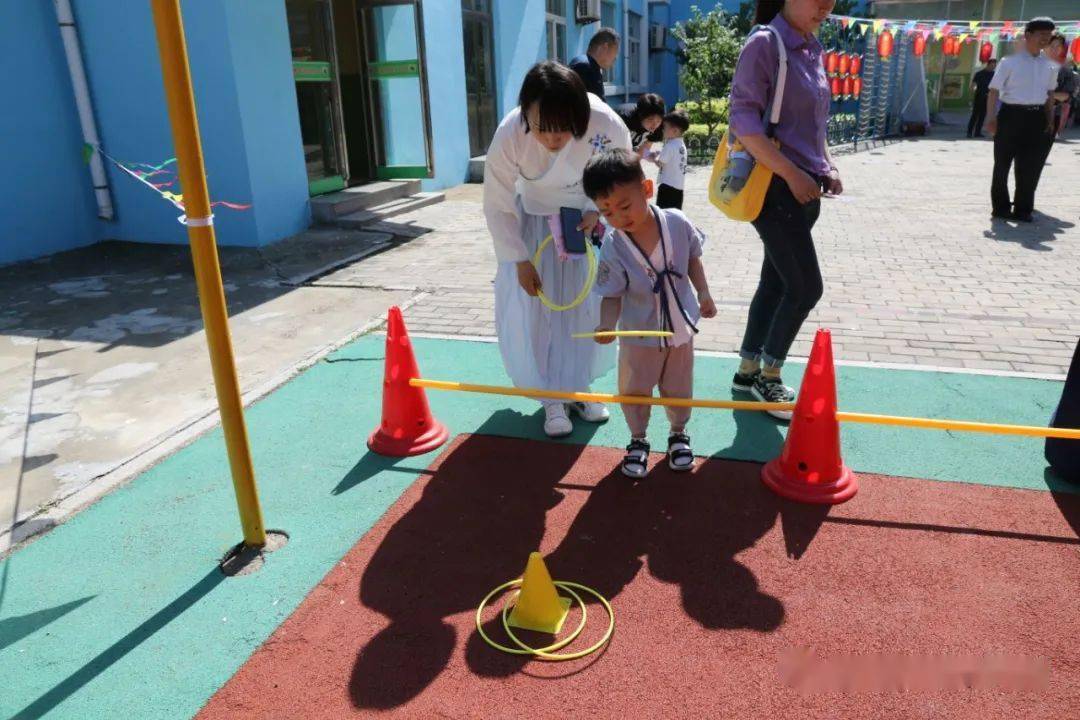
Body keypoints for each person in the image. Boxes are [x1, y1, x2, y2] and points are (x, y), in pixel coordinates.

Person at [483, 62, 632, 437]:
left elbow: (621, 175)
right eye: (541, 127)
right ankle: (551, 394)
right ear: (527, 116)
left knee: (584, 304)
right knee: (539, 307)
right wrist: (517, 258)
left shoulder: (605, 123)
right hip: (533, 221)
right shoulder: (510, 132)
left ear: (580, 115)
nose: (552, 138)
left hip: (580, 220)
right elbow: (497, 201)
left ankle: (578, 385)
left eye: (563, 127)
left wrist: (596, 211)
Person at [726, 0, 841, 420]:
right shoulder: (765, 43)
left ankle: (746, 370)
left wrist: (826, 165)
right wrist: (793, 174)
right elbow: (744, 123)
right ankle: (768, 375)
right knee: (806, 287)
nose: (826, 5)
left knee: (775, 283)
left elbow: (814, 124)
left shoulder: (812, 47)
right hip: (775, 187)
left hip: (804, 188)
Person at [584, 149, 716, 478]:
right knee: (634, 389)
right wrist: (605, 324)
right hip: (638, 334)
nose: (617, 217)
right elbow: (612, 294)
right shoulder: (614, 246)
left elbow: (693, 260)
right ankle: (638, 440)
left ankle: (678, 434)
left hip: (680, 328)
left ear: (646, 188)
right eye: (606, 211)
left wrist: (703, 292)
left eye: (624, 206)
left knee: (679, 387)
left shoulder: (677, 222)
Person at [986, 17, 1059, 223]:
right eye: (1041, 34)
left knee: (1030, 167)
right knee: (1002, 164)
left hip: (1037, 118)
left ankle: (1023, 209)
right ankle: (1000, 208)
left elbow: (1050, 94)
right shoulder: (1009, 62)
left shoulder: (1050, 66)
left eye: (1049, 34)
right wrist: (991, 118)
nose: (1046, 38)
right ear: (1028, 35)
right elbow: (993, 91)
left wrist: (1050, 120)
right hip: (1010, 115)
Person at [645, 110, 690, 210]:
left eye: (665, 128)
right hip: (679, 188)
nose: (662, 130)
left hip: (667, 187)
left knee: (664, 215)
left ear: (675, 131)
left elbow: (660, 163)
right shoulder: (681, 145)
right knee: (675, 216)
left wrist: (654, 156)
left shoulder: (670, 145)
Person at [569, 27, 620, 99]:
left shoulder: (586, 64)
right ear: (605, 47)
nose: (616, 57)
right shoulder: (585, 67)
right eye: (616, 51)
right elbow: (595, 107)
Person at [967, 58, 997, 138]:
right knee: (975, 115)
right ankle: (969, 132)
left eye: (994, 66)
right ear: (988, 64)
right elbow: (973, 85)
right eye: (992, 65)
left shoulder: (994, 74)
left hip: (988, 97)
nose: (993, 67)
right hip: (979, 96)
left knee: (983, 116)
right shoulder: (979, 74)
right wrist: (973, 90)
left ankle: (977, 132)